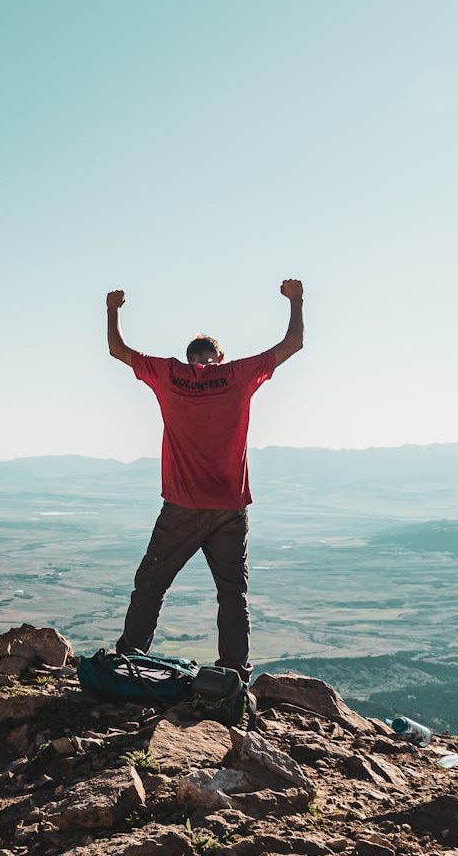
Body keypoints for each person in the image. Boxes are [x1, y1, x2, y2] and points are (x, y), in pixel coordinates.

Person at [105, 279, 304, 681]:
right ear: (219, 356)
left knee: (150, 585)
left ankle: (128, 661)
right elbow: (293, 342)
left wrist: (113, 309)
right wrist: (296, 300)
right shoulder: (238, 374)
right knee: (232, 595)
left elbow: (117, 349)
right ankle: (233, 676)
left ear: (190, 358)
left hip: (182, 505)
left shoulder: (167, 374)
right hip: (230, 507)